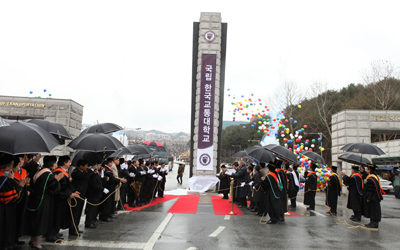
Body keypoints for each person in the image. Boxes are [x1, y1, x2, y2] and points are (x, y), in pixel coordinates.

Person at [25, 155, 63, 250]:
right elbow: (52, 188)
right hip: (42, 200)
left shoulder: (40, 171)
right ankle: (36, 242)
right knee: (40, 221)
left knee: (37, 220)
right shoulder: (47, 174)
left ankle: (33, 240)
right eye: (54, 162)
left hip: (36, 198)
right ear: (52, 163)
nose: (55, 164)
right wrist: (57, 179)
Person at [47, 155, 79, 242]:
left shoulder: (64, 172)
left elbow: (67, 185)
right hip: (58, 199)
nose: (70, 164)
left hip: (62, 198)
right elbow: (61, 187)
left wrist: (73, 192)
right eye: (69, 162)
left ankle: (55, 233)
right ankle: (51, 235)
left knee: (59, 216)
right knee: (56, 216)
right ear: (65, 163)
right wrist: (69, 194)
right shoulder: (58, 172)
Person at [69, 159, 89, 236]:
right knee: (75, 213)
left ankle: (76, 227)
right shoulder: (76, 173)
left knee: (79, 212)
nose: (87, 167)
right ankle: (72, 229)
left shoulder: (82, 172)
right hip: (77, 195)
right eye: (86, 166)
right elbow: (85, 177)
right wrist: (92, 171)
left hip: (82, 195)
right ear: (81, 166)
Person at [85, 164, 104, 229]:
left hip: (97, 194)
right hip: (92, 194)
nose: (99, 167)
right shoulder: (90, 173)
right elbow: (93, 183)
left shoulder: (95, 173)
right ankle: (88, 222)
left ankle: (93, 220)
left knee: (95, 208)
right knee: (91, 209)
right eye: (97, 165)